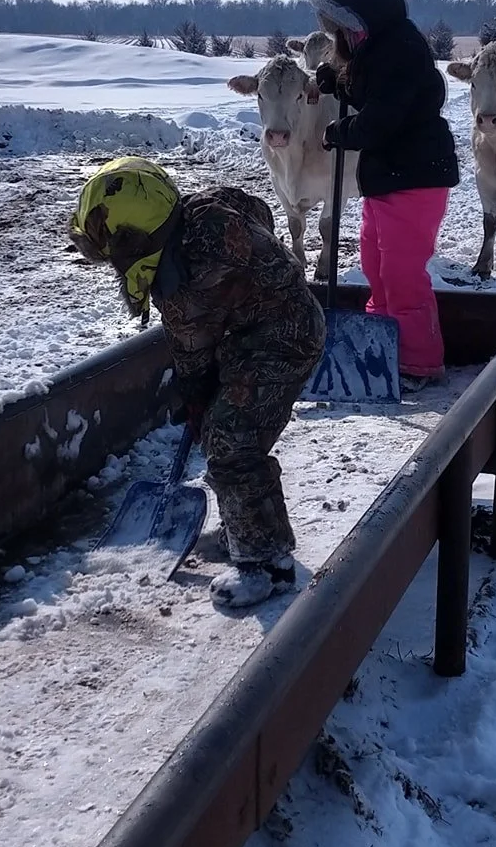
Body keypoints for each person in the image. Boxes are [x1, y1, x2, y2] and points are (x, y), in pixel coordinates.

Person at [68, 157, 325, 612]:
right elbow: (258, 210)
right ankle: (242, 526)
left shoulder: (185, 282)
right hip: (261, 330)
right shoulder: (211, 205)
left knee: (231, 439)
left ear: (136, 240)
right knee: (224, 434)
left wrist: (195, 395)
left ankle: (265, 564)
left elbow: (193, 353)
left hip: (281, 343)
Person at [311, 0, 460, 387]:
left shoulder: (402, 49)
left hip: (414, 177)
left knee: (402, 273)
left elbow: (384, 115)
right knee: (376, 264)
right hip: (386, 178)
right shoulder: (376, 46)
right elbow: (368, 87)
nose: (342, 35)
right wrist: (332, 81)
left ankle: (418, 359)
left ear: (367, 12)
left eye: (346, 23)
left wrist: (342, 132)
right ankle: (380, 343)